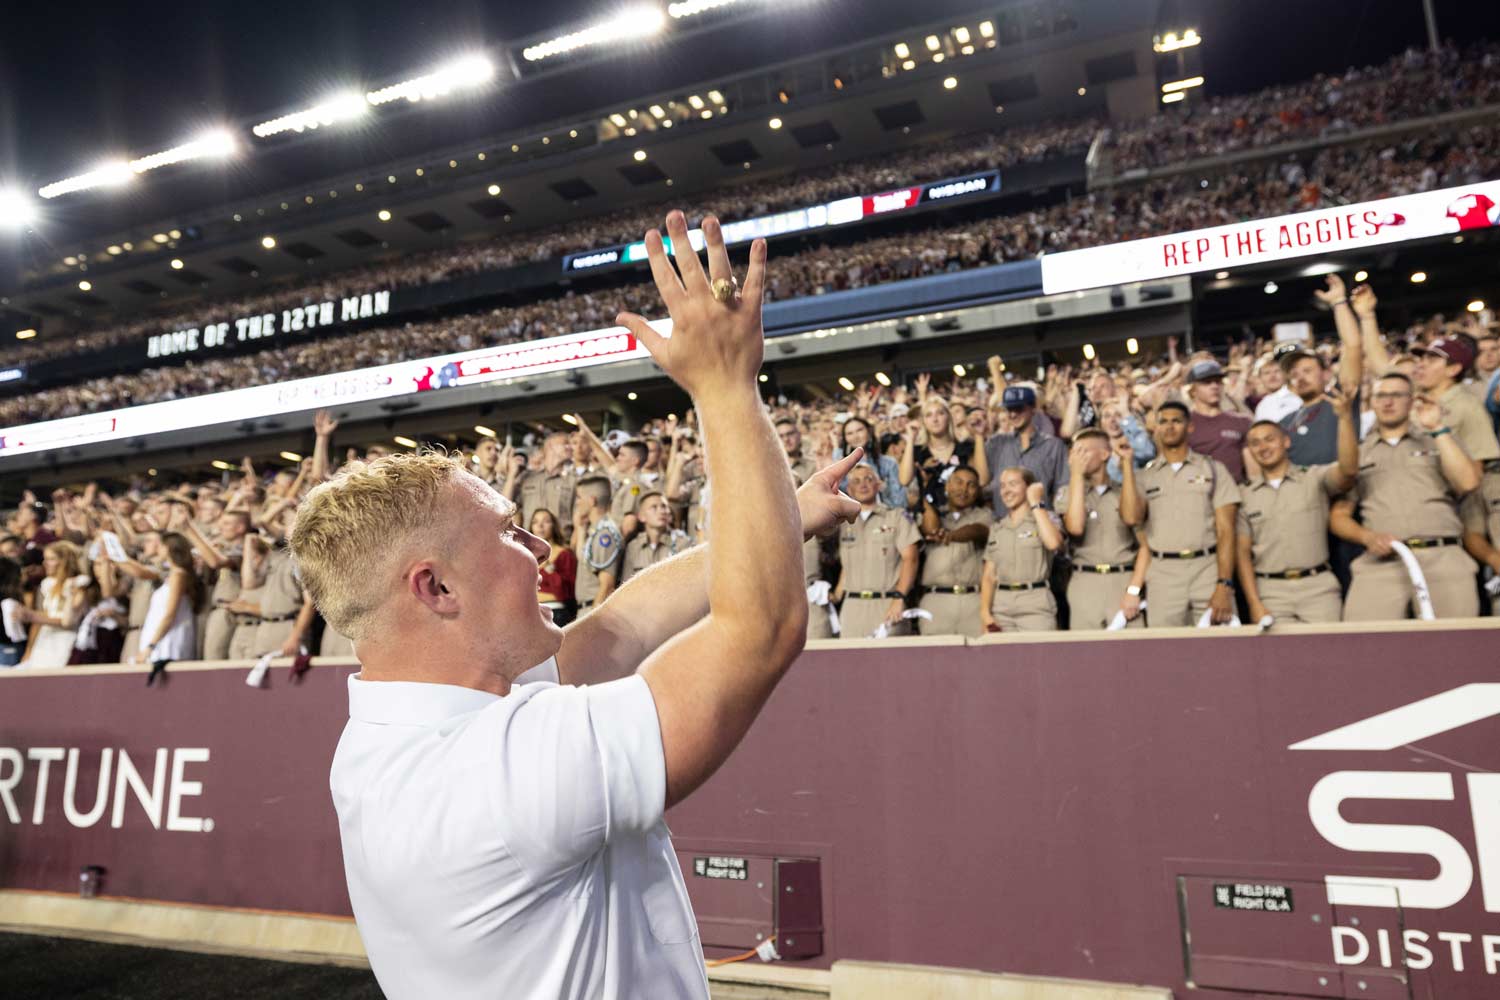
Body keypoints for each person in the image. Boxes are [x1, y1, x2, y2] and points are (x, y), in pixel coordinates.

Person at [296, 209, 857, 1000]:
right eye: (507, 534)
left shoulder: (421, 720)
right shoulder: (486, 778)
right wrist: (726, 385)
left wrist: (783, 515)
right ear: (437, 587)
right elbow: (760, 630)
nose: (537, 551)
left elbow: (619, 627)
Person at [1331, 373, 1482, 620]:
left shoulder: (1439, 438)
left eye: (1396, 395)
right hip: (1380, 561)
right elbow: (1338, 515)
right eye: (1381, 395)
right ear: (1372, 402)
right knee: (1363, 647)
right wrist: (1367, 536)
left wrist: (1437, 428)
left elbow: (1468, 482)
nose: (1388, 402)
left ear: (1411, 401)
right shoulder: (1358, 452)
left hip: (1442, 556)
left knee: (1454, 648)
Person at [1235, 388, 1359, 625]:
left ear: (1286, 441)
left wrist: (1344, 418)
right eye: (1255, 443)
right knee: (1278, 662)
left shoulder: (1313, 478)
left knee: (1331, 657)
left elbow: (1349, 471)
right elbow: (1242, 554)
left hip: (1318, 588)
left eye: (1270, 439)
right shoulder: (1244, 495)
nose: (1263, 447)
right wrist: (1254, 603)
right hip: (1270, 592)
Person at [1121, 401, 1241, 628]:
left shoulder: (1213, 469)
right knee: (1164, 653)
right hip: (1162, 572)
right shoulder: (1145, 476)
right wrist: (1127, 464)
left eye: (1176, 421)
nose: (1169, 427)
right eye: (1163, 421)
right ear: (1155, 428)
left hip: (1207, 568)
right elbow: (1131, 518)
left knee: (1220, 651)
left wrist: (1224, 583)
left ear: (1190, 427)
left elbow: (1226, 531)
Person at [1059, 431, 1149, 630]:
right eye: (1074, 452)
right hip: (1084, 582)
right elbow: (1075, 526)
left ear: (1104, 454)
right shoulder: (1068, 492)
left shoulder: (1126, 491)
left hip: (1123, 579)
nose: (1075, 458)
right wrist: (1076, 475)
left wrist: (1133, 590)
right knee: (1086, 656)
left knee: (1133, 654)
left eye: (1083, 452)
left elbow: (1142, 541)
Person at [833, 463, 921, 639]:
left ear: (879, 484)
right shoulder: (842, 523)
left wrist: (899, 598)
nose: (863, 484)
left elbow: (910, 559)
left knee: (891, 664)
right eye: (856, 481)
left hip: (887, 603)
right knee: (848, 664)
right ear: (849, 490)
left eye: (869, 479)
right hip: (852, 607)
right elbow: (847, 565)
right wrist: (835, 596)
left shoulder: (896, 516)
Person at [979, 467, 1064, 632]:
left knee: (1039, 658)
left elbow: (1054, 543)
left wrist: (1036, 502)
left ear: (1029, 487)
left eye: (1013, 484)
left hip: (1036, 604)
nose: (1006, 491)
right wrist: (985, 613)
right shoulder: (997, 528)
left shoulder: (1044, 518)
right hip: (1001, 606)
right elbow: (989, 576)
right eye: (1003, 486)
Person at [916, 465, 990, 636]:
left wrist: (951, 535)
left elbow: (977, 530)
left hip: (973, 599)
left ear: (978, 491)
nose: (964, 489)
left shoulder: (984, 515)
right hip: (936, 600)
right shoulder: (934, 515)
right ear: (947, 486)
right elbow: (930, 528)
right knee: (933, 659)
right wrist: (924, 490)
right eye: (959, 482)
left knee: (978, 659)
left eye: (971, 485)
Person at [983, 386, 1070, 508]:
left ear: (1033, 408)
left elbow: (1063, 489)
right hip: (1003, 523)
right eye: (1009, 409)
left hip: (1040, 522)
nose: (1013, 414)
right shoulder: (996, 443)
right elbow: (982, 481)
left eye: (1019, 409)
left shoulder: (1053, 446)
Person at [132, 532, 203, 667]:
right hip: (160, 639)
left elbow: (170, 614)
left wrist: (151, 646)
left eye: (161, 545)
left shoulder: (179, 575)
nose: (158, 549)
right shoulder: (173, 574)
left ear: (169, 548)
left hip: (169, 641)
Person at [17, 540, 90, 668]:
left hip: (65, 641)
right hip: (44, 640)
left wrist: (34, 616)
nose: (45, 563)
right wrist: (29, 651)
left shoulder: (79, 584)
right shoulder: (47, 584)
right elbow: (39, 622)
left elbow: (70, 621)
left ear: (64, 561)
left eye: (51, 559)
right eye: (45, 559)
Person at [1184, 360, 1252, 481]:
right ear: (1193, 390)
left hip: (1237, 491)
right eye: (1207, 382)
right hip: (1199, 491)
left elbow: (1252, 469)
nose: (1214, 386)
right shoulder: (1184, 424)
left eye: (1218, 382)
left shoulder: (1241, 421)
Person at [571, 476, 623, 614]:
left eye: (579, 497)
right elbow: (584, 559)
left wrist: (593, 622)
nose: (576, 503)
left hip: (594, 608)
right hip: (587, 607)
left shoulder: (605, 535)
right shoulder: (595, 530)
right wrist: (580, 529)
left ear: (592, 500)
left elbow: (607, 585)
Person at [512, 432, 578, 537]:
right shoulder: (527, 478)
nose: (570, 447)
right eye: (565, 443)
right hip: (530, 545)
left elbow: (578, 522)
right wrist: (511, 474)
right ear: (550, 446)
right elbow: (507, 506)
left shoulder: (573, 480)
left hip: (561, 546)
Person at [835, 416, 906, 508]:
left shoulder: (889, 464)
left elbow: (900, 502)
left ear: (869, 431)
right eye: (850, 433)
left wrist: (884, 489)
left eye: (859, 430)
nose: (856, 436)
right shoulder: (841, 466)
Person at [619, 493, 690, 584]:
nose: (661, 511)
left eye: (664, 507)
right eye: (654, 507)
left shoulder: (682, 544)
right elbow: (626, 586)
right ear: (641, 516)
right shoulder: (633, 547)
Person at [531, 509, 578, 627]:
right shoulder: (525, 554)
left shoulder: (565, 554)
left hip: (555, 613)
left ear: (554, 526)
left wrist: (548, 568)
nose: (540, 526)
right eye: (535, 522)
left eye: (546, 521)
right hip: (529, 614)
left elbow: (567, 591)